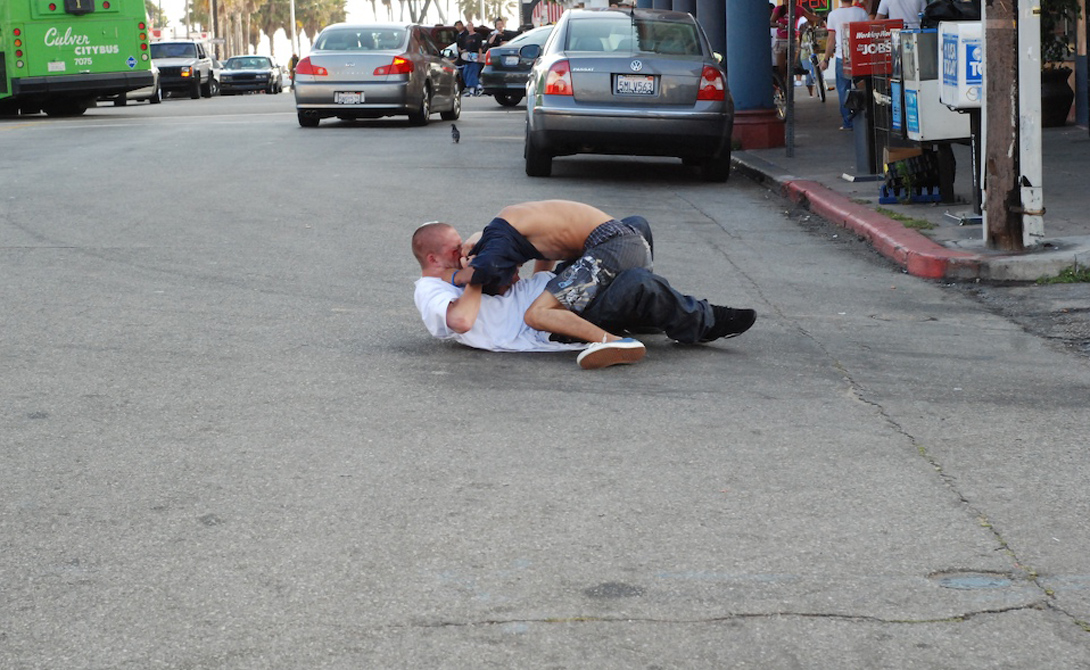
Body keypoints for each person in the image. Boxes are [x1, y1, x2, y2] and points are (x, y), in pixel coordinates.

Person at [412, 222, 757, 369]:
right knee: (636, 282)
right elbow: (460, 321)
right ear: (431, 258)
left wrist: (529, 245)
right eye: (454, 248)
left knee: (632, 229)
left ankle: (644, 313)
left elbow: (528, 278)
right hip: (558, 322)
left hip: (557, 286)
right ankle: (705, 321)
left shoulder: (457, 271)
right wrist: (477, 275)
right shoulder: (430, 290)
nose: (461, 252)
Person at [821, 0, 869, 130]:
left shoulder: (833, 15)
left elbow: (831, 39)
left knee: (843, 90)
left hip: (841, 57)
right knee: (862, 88)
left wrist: (825, 59)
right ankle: (865, 118)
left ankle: (848, 122)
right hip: (859, 56)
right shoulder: (861, 13)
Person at [770, 1, 821, 89]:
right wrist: (779, 25)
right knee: (781, 68)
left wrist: (822, 19)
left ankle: (787, 87)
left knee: (791, 66)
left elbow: (811, 17)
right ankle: (782, 87)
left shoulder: (799, 9)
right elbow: (771, 22)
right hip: (781, 39)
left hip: (794, 39)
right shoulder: (778, 9)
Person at [458, 21, 485, 95]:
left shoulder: (477, 36)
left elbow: (479, 47)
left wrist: (480, 56)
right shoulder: (466, 37)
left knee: (472, 72)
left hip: (475, 57)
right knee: (465, 72)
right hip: (468, 58)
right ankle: (478, 85)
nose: (469, 27)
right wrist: (462, 51)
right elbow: (466, 48)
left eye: (470, 26)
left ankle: (472, 89)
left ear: (473, 26)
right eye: (468, 26)